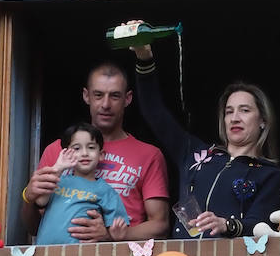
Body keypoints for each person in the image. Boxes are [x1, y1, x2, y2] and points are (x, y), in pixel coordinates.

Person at [126, 24, 280, 239]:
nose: (235, 117)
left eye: (245, 110)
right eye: (229, 111)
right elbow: (154, 112)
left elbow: (260, 227)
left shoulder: (270, 175)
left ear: (263, 121)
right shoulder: (196, 154)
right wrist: (144, 57)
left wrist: (227, 225)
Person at [21, 61, 169, 243]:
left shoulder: (149, 155)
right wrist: (28, 197)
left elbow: (160, 226)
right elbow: (33, 227)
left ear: (128, 99)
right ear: (86, 96)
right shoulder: (58, 151)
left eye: (114, 96)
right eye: (98, 95)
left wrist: (110, 236)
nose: (106, 104)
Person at [32, 123, 129, 246]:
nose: (84, 153)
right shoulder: (58, 180)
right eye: (77, 148)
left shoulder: (105, 190)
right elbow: (40, 201)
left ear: (101, 155)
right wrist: (58, 167)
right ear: (66, 154)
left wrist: (115, 234)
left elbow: (117, 228)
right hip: (44, 253)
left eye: (91, 148)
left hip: (81, 254)